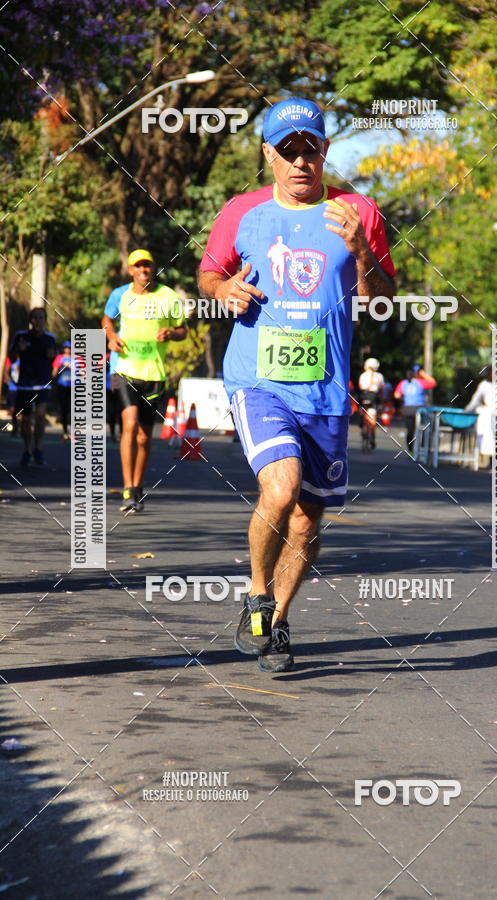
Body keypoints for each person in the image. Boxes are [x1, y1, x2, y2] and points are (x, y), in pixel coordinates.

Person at [199, 96, 395, 672]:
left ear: (326, 150)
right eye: (288, 151)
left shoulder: (359, 211)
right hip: (257, 379)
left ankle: (276, 622)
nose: (301, 161)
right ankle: (258, 593)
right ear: (268, 155)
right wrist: (222, 292)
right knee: (280, 490)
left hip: (326, 387)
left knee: (308, 517)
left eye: (310, 148)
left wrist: (362, 253)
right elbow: (210, 271)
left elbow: (380, 300)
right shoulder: (243, 211)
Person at [101, 250, 187, 513]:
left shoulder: (167, 297)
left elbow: (183, 330)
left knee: (143, 437)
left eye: (147, 265)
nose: (143, 270)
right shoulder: (120, 295)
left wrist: (171, 333)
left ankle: (137, 487)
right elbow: (106, 319)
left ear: (153, 268)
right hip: (124, 369)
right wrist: (111, 337)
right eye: (137, 266)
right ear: (130, 270)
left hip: (154, 374)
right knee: (129, 425)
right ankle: (127, 488)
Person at [9, 307, 57, 466]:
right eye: (35, 318)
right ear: (31, 320)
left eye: (41, 318)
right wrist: (18, 349)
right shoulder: (21, 336)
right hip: (25, 384)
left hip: (43, 382)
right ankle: (27, 450)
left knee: (41, 414)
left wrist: (52, 357)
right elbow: (12, 356)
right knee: (25, 419)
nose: (38, 321)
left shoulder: (50, 338)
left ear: (45, 320)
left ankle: (38, 448)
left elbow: (54, 358)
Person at [394, 365, 437, 453]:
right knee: (425, 427)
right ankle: (423, 448)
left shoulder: (403, 383)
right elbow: (433, 382)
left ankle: (411, 450)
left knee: (410, 430)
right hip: (419, 409)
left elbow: (396, 395)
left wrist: (405, 399)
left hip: (407, 409)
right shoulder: (421, 382)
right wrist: (424, 374)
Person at [464, 365, 493, 464]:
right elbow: (476, 400)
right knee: (484, 437)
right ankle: (483, 460)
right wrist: (468, 409)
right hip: (487, 415)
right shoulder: (484, 385)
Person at [358, 357, 384, 449]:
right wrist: (382, 402)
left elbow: (360, 387)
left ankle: (362, 425)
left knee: (362, 413)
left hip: (363, 397)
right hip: (373, 398)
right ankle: (372, 436)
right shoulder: (380, 376)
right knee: (373, 419)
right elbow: (381, 390)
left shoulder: (362, 375)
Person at [52, 340, 73, 439]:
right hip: (62, 386)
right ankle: (65, 431)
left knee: (73, 409)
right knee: (64, 409)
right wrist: (61, 367)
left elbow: (84, 372)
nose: (68, 350)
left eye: (69, 348)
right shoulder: (59, 358)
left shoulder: (77, 359)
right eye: (66, 348)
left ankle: (73, 431)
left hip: (74, 386)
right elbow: (54, 373)